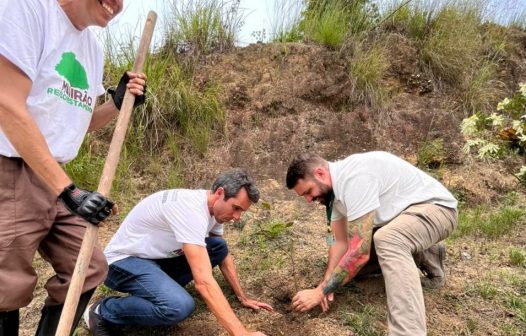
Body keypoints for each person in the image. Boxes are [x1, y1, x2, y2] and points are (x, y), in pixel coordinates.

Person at [0, 0, 147, 335]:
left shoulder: (91, 48)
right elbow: (6, 104)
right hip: (9, 164)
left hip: (52, 174)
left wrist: (116, 102)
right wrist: (68, 191)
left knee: (89, 267)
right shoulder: (27, 10)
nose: (117, 4)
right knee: (5, 283)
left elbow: (80, 122)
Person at [286, 151, 458, 336]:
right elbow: (338, 242)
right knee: (348, 270)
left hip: (437, 209)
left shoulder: (354, 178)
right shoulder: (332, 199)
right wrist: (327, 282)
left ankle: (408, 331)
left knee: (387, 240)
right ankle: (427, 251)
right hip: (401, 219)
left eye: (308, 192)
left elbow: (360, 252)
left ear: (320, 173)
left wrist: (320, 292)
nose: (309, 200)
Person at [84, 169, 272, 336]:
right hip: (122, 262)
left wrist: (242, 297)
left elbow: (221, 252)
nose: (237, 217)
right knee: (178, 306)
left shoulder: (214, 211)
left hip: (155, 259)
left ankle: (159, 290)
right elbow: (204, 282)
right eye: (236, 208)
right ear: (220, 193)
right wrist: (240, 333)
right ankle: (102, 310)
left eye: (242, 211)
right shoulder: (190, 210)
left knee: (217, 246)